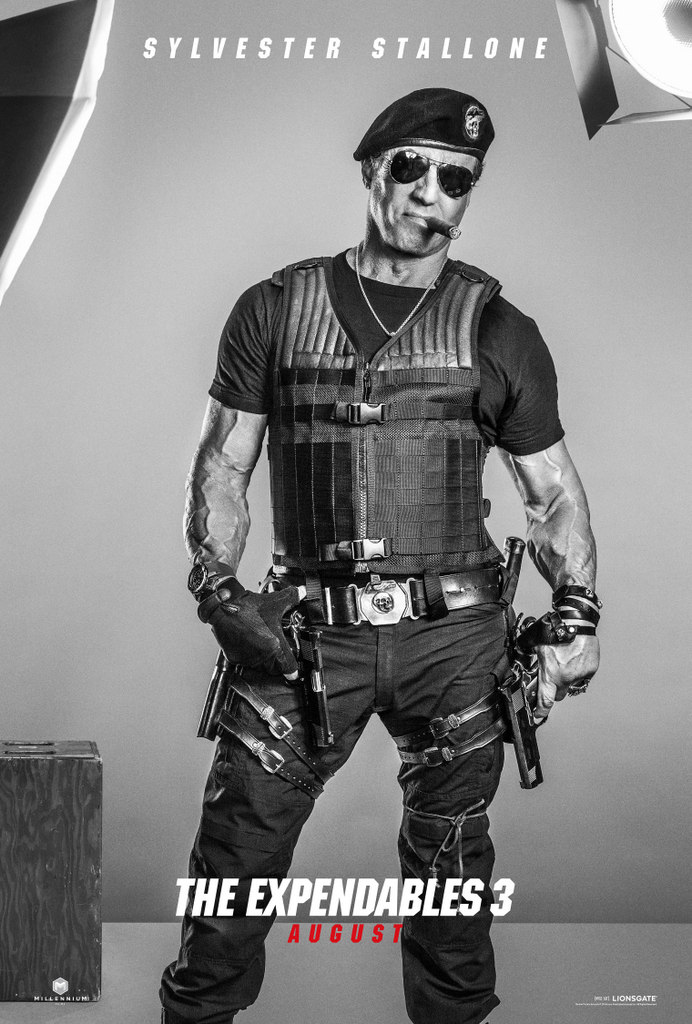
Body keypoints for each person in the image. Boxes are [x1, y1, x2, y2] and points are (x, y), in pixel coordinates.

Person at [160, 87, 601, 1024]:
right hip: (304, 638)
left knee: (452, 875)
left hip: (456, 646)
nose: (430, 192)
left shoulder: (499, 330)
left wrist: (577, 614)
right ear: (372, 169)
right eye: (411, 167)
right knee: (235, 857)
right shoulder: (274, 309)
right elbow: (223, 464)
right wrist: (218, 590)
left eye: (456, 179)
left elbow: (554, 492)